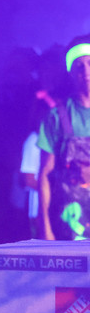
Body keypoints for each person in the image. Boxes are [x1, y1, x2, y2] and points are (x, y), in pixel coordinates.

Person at [38, 36, 90, 241]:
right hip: (70, 223)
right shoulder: (58, 116)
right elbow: (44, 175)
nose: (85, 71)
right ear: (71, 73)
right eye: (79, 66)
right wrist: (45, 228)